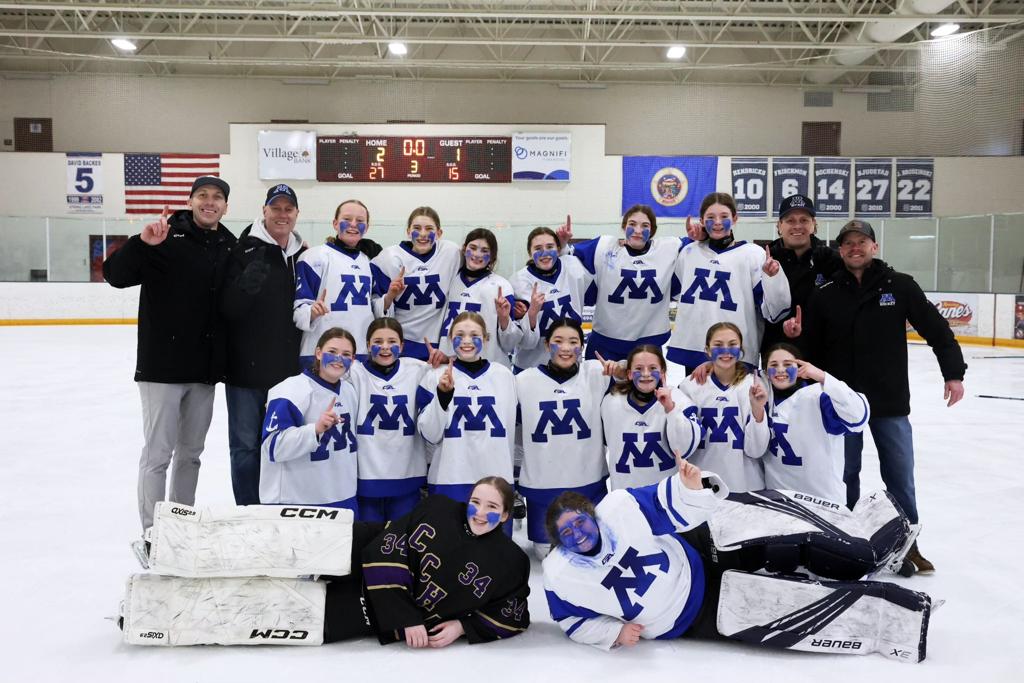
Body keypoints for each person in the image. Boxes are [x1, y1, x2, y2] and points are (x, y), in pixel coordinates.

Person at [541, 455, 932, 661]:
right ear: (558, 542)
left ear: (591, 514)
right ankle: (895, 619)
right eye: (567, 533)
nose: (578, 534)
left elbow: (665, 503)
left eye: (580, 523)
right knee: (795, 606)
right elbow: (571, 620)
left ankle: (878, 535)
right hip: (696, 614)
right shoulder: (560, 576)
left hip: (697, 546)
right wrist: (611, 633)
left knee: (802, 538)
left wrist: (690, 488)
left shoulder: (618, 508)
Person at [121, 477, 531, 648]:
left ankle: (148, 612)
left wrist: (463, 625)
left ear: (507, 514)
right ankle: (170, 542)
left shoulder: (512, 562)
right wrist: (407, 616)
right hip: (352, 547)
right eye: (476, 501)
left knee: (265, 610)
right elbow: (386, 547)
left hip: (370, 610)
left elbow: (515, 613)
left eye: (492, 507)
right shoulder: (441, 507)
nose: (478, 512)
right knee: (267, 540)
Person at [788, 219, 967, 574]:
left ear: (874, 247)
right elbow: (810, 349)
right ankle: (847, 542)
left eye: (862, 242)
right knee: (844, 475)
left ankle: (907, 545)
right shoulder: (825, 294)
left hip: (888, 402)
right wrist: (795, 337)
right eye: (848, 243)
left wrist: (953, 372)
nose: (855, 248)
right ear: (840, 250)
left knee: (900, 477)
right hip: (842, 405)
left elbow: (936, 328)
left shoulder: (899, 286)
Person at [102, 175, 236, 532]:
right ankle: (152, 531)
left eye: (217, 197)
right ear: (190, 201)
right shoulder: (164, 236)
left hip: (204, 372)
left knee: (191, 455)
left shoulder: (228, 245)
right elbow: (114, 275)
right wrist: (142, 244)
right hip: (162, 368)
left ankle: (181, 525)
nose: (210, 202)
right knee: (158, 455)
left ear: (225, 206)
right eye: (203, 196)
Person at [220, 183, 306, 505]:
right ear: (264, 211)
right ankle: (248, 510)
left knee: (284, 443)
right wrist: (245, 286)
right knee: (245, 446)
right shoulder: (243, 251)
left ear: (296, 214)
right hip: (245, 371)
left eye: (288, 209)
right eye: (276, 208)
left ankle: (279, 506)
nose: (282, 214)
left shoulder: (303, 256)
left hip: (287, 372)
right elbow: (227, 309)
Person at [515, 318, 624, 558]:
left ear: (581, 346)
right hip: (541, 487)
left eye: (573, 342)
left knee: (597, 550)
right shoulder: (524, 381)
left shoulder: (596, 373)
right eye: (558, 341)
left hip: (589, 482)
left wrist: (621, 370)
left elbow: (637, 376)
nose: (565, 348)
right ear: (547, 345)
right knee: (547, 555)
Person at [668, 192, 790, 378]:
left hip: (735, 354)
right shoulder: (689, 251)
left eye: (724, 216)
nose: (717, 222)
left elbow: (772, 311)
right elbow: (671, 291)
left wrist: (773, 278)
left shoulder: (753, 254)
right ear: (701, 220)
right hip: (695, 350)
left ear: (735, 218)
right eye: (710, 217)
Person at [348, 317, 444, 522]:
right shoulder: (354, 373)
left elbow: (454, 370)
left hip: (407, 477)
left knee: (401, 545)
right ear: (367, 345)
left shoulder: (419, 369)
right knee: (367, 544)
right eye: (378, 342)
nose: (385, 347)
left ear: (402, 345)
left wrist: (442, 360)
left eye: (392, 342)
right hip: (366, 477)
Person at [417, 312, 517, 505]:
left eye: (474, 336)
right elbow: (429, 435)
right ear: (450, 338)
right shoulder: (434, 377)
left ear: (486, 339)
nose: (466, 341)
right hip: (449, 478)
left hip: (496, 479)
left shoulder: (504, 376)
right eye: (459, 335)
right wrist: (442, 396)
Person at [562, 206, 683, 361]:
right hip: (605, 343)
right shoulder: (604, 247)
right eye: (632, 224)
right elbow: (567, 255)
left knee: (648, 385)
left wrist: (699, 233)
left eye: (645, 226)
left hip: (648, 346)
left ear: (652, 230)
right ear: (624, 226)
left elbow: (698, 244)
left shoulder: (668, 248)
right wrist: (562, 244)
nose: (638, 230)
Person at [260, 327, 359, 514]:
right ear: (319, 352)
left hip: (343, 498)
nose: (339, 358)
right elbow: (272, 447)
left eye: (346, 354)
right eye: (332, 352)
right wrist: (315, 429)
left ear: (353, 360)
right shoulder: (290, 390)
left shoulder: (349, 391)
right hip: (297, 502)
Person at [761, 343, 869, 506]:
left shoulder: (819, 397)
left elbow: (858, 417)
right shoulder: (761, 400)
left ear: (800, 368)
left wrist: (823, 377)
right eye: (774, 365)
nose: (781, 369)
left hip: (823, 503)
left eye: (788, 364)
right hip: (779, 502)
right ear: (765, 373)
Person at [293, 199, 391, 365]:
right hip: (319, 351)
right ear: (335, 223)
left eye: (360, 221)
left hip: (360, 353)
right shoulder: (313, 257)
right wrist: (312, 312)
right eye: (347, 219)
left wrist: (389, 297)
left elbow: (374, 309)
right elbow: (299, 310)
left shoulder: (369, 262)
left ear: (366, 227)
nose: (353, 224)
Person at [676, 323, 769, 492]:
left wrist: (758, 411)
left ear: (741, 349)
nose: (726, 350)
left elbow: (756, 450)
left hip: (746, 486)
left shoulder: (754, 386)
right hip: (701, 485)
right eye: (718, 345)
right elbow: (681, 443)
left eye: (732, 344)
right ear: (707, 350)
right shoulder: (689, 386)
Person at [602, 344, 701, 490]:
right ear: (629, 374)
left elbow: (684, 450)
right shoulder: (611, 402)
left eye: (653, 368)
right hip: (625, 495)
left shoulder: (679, 400)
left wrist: (670, 409)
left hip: (666, 494)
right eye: (639, 369)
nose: (646, 373)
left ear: (663, 373)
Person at [371, 207, 463, 360]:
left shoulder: (450, 252)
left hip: (436, 345)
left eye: (429, 229)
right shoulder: (388, 258)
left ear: (439, 233)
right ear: (408, 231)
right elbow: (374, 309)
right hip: (400, 343)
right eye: (417, 228)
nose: (423, 234)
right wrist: (389, 296)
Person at [760, 194, 843, 354]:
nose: (797, 226)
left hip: (822, 354)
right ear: (779, 225)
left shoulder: (831, 260)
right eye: (790, 220)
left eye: (804, 220)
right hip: (777, 356)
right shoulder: (763, 259)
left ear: (814, 224)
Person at [509, 227, 591, 372]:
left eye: (550, 247)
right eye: (538, 248)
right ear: (529, 252)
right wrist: (532, 313)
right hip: (532, 367)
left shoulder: (572, 266)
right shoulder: (518, 281)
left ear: (558, 249)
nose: (545, 253)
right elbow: (525, 342)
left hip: (570, 364)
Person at [437, 228, 522, 368]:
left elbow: (509, 344)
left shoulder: (502, 286)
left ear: (493, 256)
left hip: (488, 366)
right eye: (473, 248)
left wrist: (504, 319)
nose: (477, 254)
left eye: (484, 251)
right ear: (464, 249)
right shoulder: (450, 279)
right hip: (450, 364)